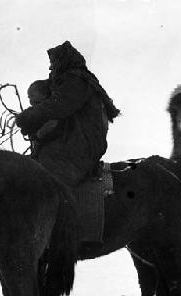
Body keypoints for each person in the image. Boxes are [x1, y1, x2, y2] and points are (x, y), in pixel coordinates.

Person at [16, 41, 120, 187]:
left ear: (63, 62)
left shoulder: (77, 81)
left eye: (53, 63)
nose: (51, 67)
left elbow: (57, 106)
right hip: (76, 139)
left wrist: (27, 117)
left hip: (81, 144)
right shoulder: (72, 80)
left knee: (45, 178)